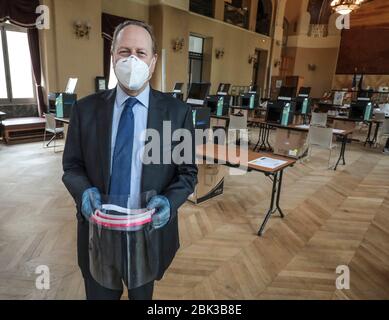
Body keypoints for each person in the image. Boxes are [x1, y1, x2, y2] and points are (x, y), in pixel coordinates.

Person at [62, 20, 198, 300]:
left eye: (141, 52)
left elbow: (186, 173)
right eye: (124, 52)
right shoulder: (85, 110)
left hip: (148, 235)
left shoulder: (177, 113)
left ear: (153, 60)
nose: (132, 59)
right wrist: (83, 191)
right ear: (112, 58)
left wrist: (169, 202)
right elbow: (72, 166)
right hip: (97, 233)